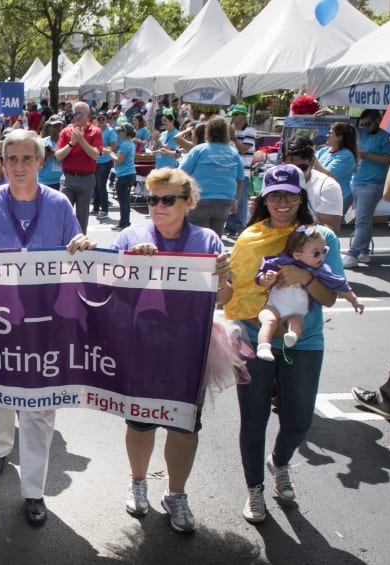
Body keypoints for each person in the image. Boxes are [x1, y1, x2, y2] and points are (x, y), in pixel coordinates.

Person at [0, 128, 95, 527]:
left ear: (41, 162)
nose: (17, 166)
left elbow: (76, 253)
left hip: (47, 324)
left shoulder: (61, 204)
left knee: (39, 410)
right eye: (9, 158)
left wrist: (82, 245)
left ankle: (34, 491)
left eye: (26, 159)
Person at [111, 167, 232, 533]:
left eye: (167, 199)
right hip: (141, 343)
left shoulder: (208, 241)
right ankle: (138, 481)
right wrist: (131, 266)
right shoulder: (130, 236)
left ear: (188, 202)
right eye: (151, 199)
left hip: (189, 345)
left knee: (184, 424)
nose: (158, 206)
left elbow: (224, 298)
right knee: (140, 419)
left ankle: (176, 493)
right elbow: (112, 295)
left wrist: (223, 277)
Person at [224, 164, 343, 524]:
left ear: (301, 196)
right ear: (264, 198)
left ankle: (279, 462)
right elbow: (236, 291)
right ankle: (255, 488)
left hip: (303, 341)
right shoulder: (249, 238)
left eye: (290, 194)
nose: (282, 201)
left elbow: (330, 298)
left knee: (299, 419)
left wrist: (305, 277)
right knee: (254, 418)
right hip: (252, 336)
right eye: (274, 194)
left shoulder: (321, 237)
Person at [254, 224, 363, 362]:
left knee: (297, 322)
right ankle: (264, 346)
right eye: (316, 253)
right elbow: (262, 275)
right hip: (273, 307)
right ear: (297, 255)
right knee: (269, 321)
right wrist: (266, 278)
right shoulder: (282, 262)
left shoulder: (322, 269)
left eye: (324, 250)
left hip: (296, 313)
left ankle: (292, 336)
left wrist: (354, 299)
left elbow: (338, 284)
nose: (322, 256)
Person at [343, 109, 390, 268]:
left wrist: (368, 156)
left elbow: (388, 159)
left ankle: (353, 253)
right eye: (363, 124)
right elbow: (346, 130)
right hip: (357, 181)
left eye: (369, 124)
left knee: (362, 221)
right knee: (363, 220)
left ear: (378, 120)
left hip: (373, 183)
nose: (366, 127)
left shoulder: (385, 138)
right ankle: (363, 251)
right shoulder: (361, 133)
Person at [180, 117, 244, 237]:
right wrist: (235, 200)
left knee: (198, 239)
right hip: (225, 200)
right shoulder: (233, 153)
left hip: (201, 199)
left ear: (208, 132)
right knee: (215, 237)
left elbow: (182, 172)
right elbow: (240, 178)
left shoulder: (199, 150)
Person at [55, 102, 103, 233]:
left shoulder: (95, 132)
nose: (76, 116)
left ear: (87, 115)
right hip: (68, 178)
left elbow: (95, 154)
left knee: (82, 216)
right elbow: (58, 156)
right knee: (64, 212)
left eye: (80, 113)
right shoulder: (66, 132)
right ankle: (62, 242)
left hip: (86, 179)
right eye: (74, 113)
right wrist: (72, 143)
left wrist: (81, 140)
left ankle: (81, 244)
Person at [282, 136, 343, 233]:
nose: (297, 172)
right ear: (282, 161)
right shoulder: (274, 180)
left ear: (313, 161)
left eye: (302, 167)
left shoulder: (328, 186)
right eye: (291, 168)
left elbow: (331, 231)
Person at [224, 104, 257, 239]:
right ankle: (230, 226)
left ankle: (238, 227)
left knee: (240, 200)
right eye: (233, 114)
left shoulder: (250, 131)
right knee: (231, 199)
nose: (234, 117)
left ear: (243, 116)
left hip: (243, 171)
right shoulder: (233, 132)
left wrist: (233, 137)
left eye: (236, 114)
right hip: (230, 171)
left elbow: (243, 149)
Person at [314, 121, 358, 214]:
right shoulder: (324, 150)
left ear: (339, 137)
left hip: (338, 197)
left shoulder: (346, 156)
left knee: (330, 227)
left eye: (330, 133)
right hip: (321, 195)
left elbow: (330, 176)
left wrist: (312, 159)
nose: (327, 135)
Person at [105, 123, 137, 231]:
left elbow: (119, 160)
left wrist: (109, 154)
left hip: (125, 176)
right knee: (125, 200)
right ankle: (125, 222)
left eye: (120, 131)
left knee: (123, 201)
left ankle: (123, 223)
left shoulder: (125, 145)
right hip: (128, 174)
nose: (118, 133)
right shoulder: (130, 144)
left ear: (125, 132)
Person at [92, 112, 117, 222]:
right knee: (95, 185)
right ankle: (96, 207)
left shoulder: (111, 131)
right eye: (99, 120)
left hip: (105, 161)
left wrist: (103, 148)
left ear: (106, 120)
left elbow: (114, 147)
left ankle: (104, 209)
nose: (101, 122)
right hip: (95, 161)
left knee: (102, 185)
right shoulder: (95, 130)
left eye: (103, 120)